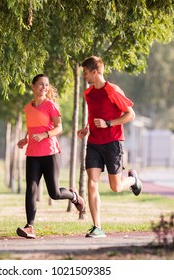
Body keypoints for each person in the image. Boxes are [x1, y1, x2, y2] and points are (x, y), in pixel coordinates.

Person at [77, 56, 142, 238]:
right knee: (92, 182)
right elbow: (93, 115)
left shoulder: (112, 90)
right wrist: (86, 129)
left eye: (86, 73)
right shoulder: (88, 94)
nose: (84, 76)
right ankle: (97, 227)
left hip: (113, 142)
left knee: (116, 186)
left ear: (95, 72)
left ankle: (133, 181)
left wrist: (108, 123)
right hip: (94, 143)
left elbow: (131, 115)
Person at [16, 74, 85, 239]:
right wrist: (25, 139)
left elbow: (59, 128)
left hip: (49, 152)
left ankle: (74, 196)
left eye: (46, 85)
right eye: (40, 84)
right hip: (32, 153)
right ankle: (30, 226)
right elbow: (32, 127)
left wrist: (45, 135)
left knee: (54, 193)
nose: (44, 87)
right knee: (31, 189)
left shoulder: (50, 105)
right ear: (32, 86)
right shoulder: (28, 107)